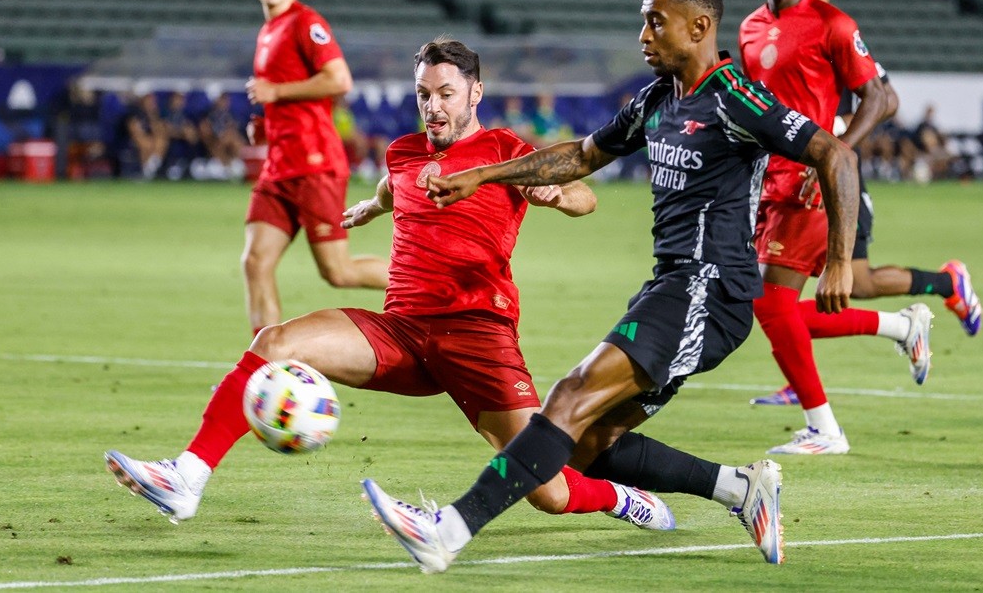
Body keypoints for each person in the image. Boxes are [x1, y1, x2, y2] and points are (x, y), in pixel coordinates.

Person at [361, 0, 861, 572]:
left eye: (657, 21)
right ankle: (739, 488)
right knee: (593, 445)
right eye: (643, 20)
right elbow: (580, 156)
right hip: (671, 285)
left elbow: (834, 153)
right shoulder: (657, 98)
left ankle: (449, 530)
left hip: (711, 287)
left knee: (569, 397)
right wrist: (484, 174)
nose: (644, 35)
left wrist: (838, 260)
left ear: (699, 27)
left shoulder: (736, 98)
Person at [104, 37, 678, 534]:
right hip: (399, 332)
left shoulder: (504, 151)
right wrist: (369, 210)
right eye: (423, 94)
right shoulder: (403, 153)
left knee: (547, 491)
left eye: (445, 94)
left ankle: (623, 498)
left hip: (478, 335)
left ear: (475, 94)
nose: (432, 106)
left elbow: (585, 195)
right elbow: (389, 185)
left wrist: (561, 196)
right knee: (275, 343)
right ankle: (187, 476)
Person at [751, 0, 983, 406]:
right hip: (792, 179)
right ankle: (936, 293)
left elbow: (885, 98)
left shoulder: (836, 37)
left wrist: (836, 141)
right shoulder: (781, 38)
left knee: (811, 290)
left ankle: (940, 289)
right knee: (824, 288)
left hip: (832, 180)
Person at [739, 0, 932, 453]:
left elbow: (879, 97)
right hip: (770, 182)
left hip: (812, 183)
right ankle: (899, 328)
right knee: (775, 310)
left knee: (770, 304)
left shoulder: (834, 25)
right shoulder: (751, 28)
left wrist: (835, 149)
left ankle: (824, 428)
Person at [241, 0, 388, 335]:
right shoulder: (267, 31)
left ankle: (431, 282)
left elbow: (339, 79)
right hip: (279, 166)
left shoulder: (306, 23)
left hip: (314, 164)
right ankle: (262, 369)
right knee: (255, 263)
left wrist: (277, 92)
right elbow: (289, 96)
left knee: (338, 272)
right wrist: (267, 120)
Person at [195, 92, 247, 181]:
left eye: (226, 99)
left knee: (234, 138)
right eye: (222, 99)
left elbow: (236, 133)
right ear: (216, 100)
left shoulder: (229, 115)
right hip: (213, 148)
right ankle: (223, 166)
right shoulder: (207, 115)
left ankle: (232, 164)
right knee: (225, 138)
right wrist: (220, 137)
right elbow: (205, 133)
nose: (225, 102)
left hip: (228, 150)